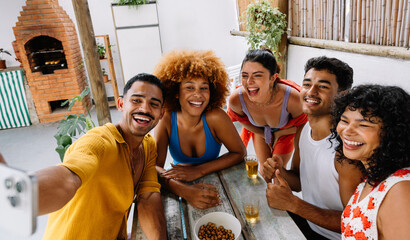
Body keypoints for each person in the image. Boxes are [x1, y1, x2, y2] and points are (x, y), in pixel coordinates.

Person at [37, 73, 167, 239]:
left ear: (161, 114)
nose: (145, 109)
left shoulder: (148, 145)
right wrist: (17, 195)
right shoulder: (99, 142)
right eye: (136, 100)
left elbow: (148, 195)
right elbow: (67, 179)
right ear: (121, 104)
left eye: (154, 104)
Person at [264, 56, 363, 239]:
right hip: (308, 224)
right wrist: (278, 171)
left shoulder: (346, 150)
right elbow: (299, 182)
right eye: (307, 84)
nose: (311, 91)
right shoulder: (303, 131)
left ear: (342, 95)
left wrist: (294, 204)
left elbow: (356, 222)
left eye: (323, 86)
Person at [153, 50, 246, 209]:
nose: (198, 95)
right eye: (189, 87)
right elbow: (154, 167)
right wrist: (184, 191)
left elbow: (240, 152)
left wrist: (199, 171)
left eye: (204, 88)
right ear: (176, 92)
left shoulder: (216, 117)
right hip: (178, 185)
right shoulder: (167, 119)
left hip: (218, 185)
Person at [331, 85, 410, 239]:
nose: (347, 131)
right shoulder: (372, 177)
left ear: (392, 133)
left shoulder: (400, 190)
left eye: (364, 125)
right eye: (344, 121)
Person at [227, 49, 307, 176]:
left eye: (257, 75)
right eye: (244, 75)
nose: (249, 82)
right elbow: (242, 121)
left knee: (277, 173)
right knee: (265, 173)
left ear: (272, 78)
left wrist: (279, 134)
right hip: (260, 131)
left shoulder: (292, 98)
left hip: (286, 133)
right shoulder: (237, 99)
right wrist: (265, 134)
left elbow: (305, 127)